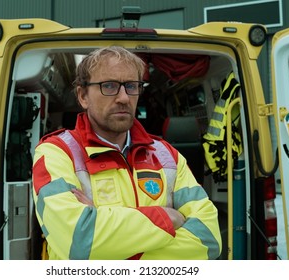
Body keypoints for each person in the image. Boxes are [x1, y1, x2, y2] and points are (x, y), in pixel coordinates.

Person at [32, 46, 222, 260]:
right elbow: (79, 241)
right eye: (109, 86)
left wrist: (107, 239)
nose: (123, 98)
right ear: (83, 96)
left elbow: (208, 240)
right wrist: (170, 218)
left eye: (131, 86)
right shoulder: (56, 153)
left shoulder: (167, 155)